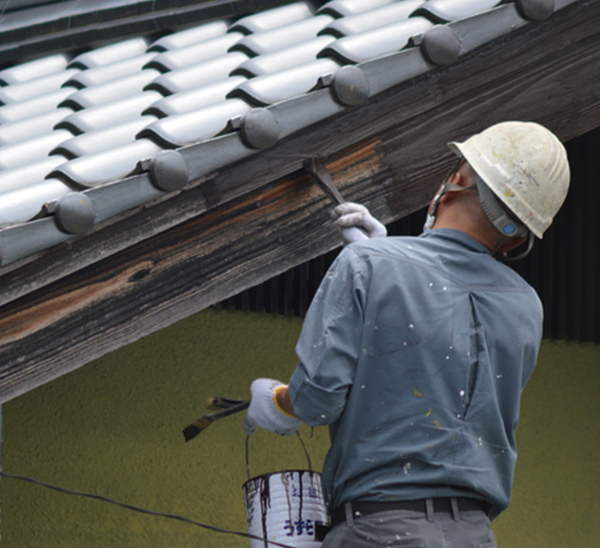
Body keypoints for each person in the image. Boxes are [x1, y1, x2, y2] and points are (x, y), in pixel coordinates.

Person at [243, 121, 570, 548]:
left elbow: (317, 399)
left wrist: (277, 402)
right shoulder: (527, 305)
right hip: (474, 536)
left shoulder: (368, 264)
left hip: (380, 530)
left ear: (452, 182)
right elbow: (451, 376)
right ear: (516, 239)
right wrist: (391, 257)